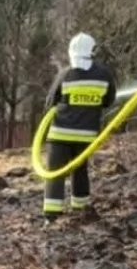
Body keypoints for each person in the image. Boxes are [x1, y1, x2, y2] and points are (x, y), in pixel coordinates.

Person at [42, 32, 117, 225]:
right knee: (80, 170)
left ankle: (51, 216)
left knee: (56, 172)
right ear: (92, 51)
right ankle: (81, 208)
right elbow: (109, 101)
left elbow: (50, 103)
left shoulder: (65, 74)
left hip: (59, 134)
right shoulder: (104, 75)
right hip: (86, 135)